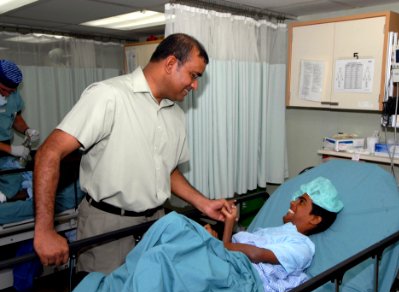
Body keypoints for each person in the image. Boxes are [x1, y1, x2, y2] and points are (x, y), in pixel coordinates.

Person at [33, 33, 233, 274]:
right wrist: (44, 230)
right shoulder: (109, 96)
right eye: (194, 75)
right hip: (108, 226)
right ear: (170, 64)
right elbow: (49, 153)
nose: (195, 85)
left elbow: (167, 171)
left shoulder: (175, 114)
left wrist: (204, 203)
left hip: (156, 224)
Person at [206, 176, 344, 292]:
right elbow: (231, 250)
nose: (292, 203)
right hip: (228, 267)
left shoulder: (302, 246)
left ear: (314, 219)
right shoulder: (272, 232)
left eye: (301, 202)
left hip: (243, 282)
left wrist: (215, 244)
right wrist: (225, 230)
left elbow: (254, 254)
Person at [0, 60, 39, 203]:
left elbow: (16, 117)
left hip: (3, 150)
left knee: (19, 175)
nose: (6, 94)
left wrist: (27, 130)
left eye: (11, 92)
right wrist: (12, 149)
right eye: (3, 90)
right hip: (5, 148)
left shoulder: (13, 95)